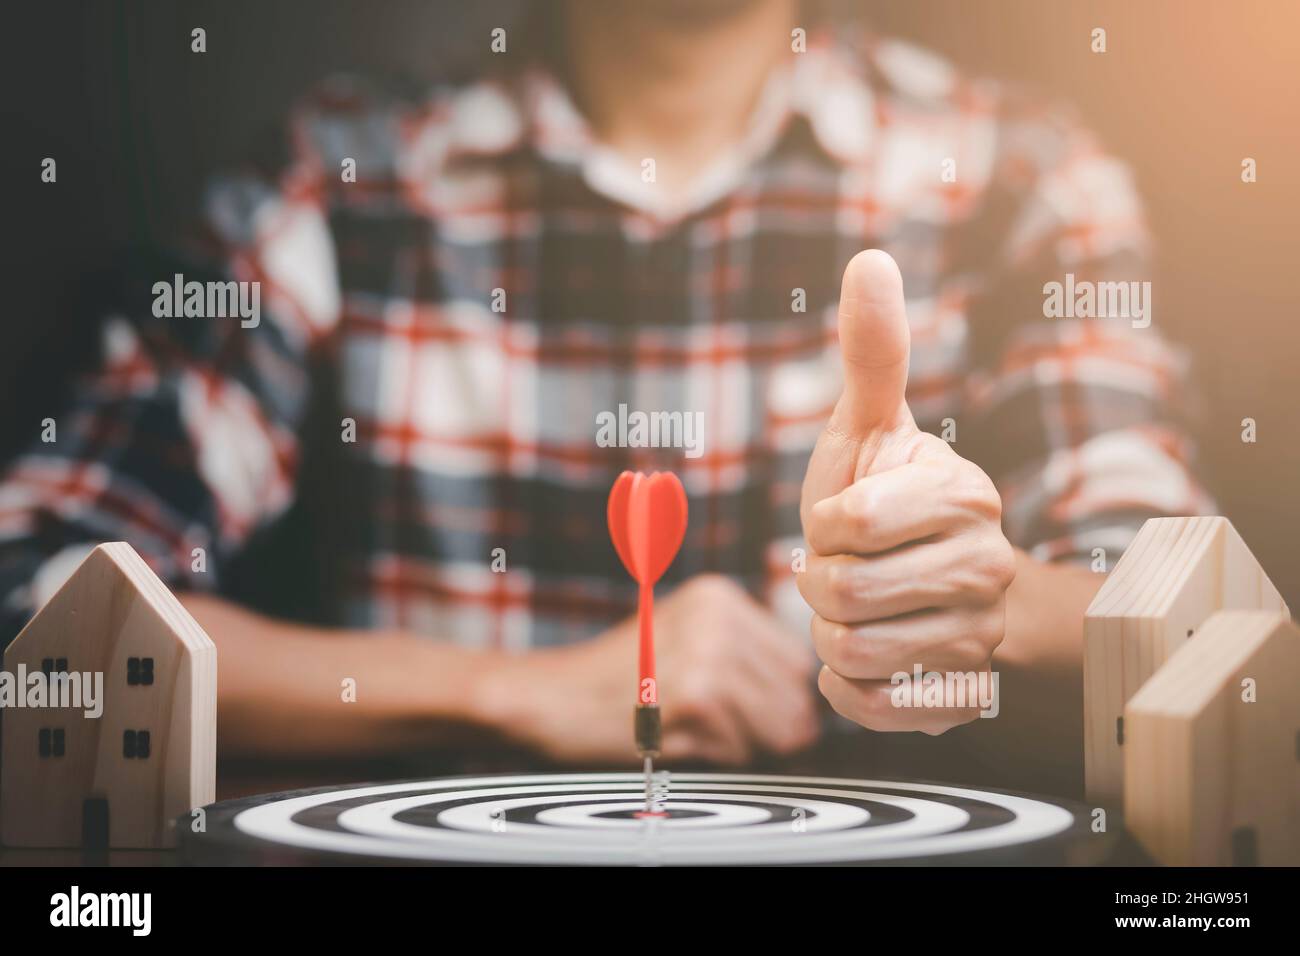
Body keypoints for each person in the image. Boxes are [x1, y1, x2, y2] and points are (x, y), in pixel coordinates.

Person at [0, 0, 1209, 786]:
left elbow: (1195, 636)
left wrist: (987, 603)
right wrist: (513, 698)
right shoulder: (338, 178)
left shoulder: (1019, 185)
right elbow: (38, 620)